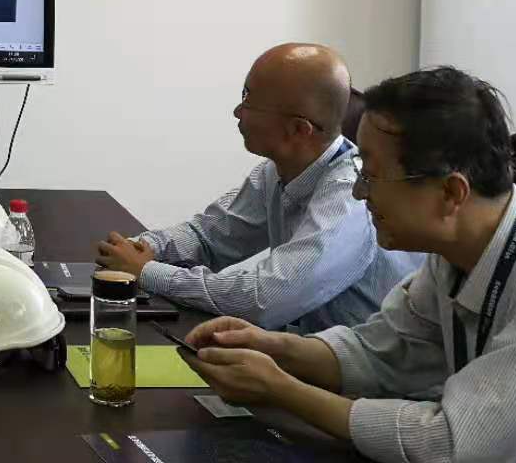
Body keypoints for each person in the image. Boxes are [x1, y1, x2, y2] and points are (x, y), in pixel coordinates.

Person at [184, 66, 516, 463]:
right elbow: (380, 353)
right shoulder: (454, 253)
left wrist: (280, 389)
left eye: (372, 176)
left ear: (451, 193)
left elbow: (449, 445)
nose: (358, 192)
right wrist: (272, 347)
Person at [96, 43, 422, 332]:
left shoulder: (349, 197)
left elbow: (263, 300)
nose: (237, 111)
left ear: (299, 130)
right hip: (309, 351)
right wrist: (141, 247)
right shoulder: (275, 171)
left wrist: (147, 272)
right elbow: (209, 236)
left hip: (362, 372)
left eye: (248, 100)